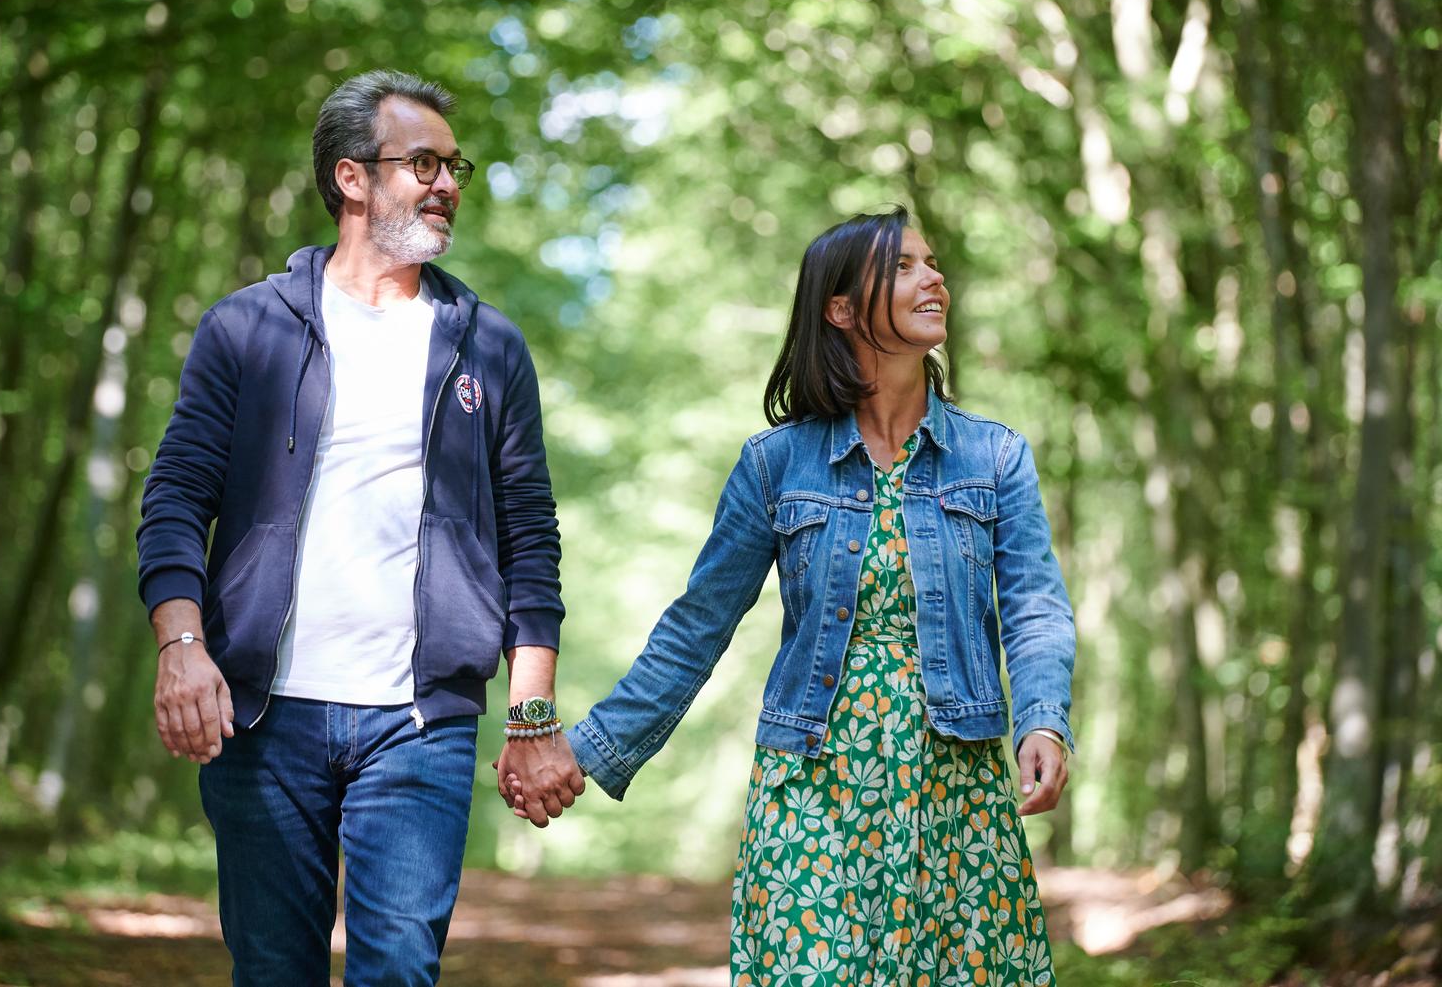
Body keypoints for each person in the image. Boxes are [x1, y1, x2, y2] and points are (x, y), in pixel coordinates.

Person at [136, 68, 585, 987]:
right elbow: (177, 498)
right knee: (272, 972)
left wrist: (532, 711)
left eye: (455, 164)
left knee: (400, 974)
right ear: (351, 178)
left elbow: (530, 542)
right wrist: (182, 643)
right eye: (423, 162)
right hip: (262, 715)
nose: (448, 182)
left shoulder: (486, 345)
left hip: (420, 723)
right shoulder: (246, 329)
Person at [556, 206, 1075, 985]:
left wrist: (1043, 717)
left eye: (932, 263)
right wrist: (584, 747)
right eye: (903, 265)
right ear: (839, 307)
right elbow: (699, 624)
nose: (933, 277)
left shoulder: (995, 457)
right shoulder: (777, 464)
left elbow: (1035, 605)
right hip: (813, 785)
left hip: (955, 784)